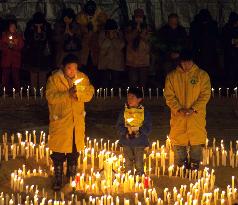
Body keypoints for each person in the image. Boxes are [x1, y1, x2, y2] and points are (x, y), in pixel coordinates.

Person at [46, 54, 94, 191]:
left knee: (74, 151)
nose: (72, 71)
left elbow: (89, 93)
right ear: (63, 67)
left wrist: (78, 93)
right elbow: (50, 97)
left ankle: (72, 177)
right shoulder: (54, 79)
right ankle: (58, 177)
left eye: (75, 68)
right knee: (59, 153)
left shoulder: (82, 78)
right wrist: (67, 94)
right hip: (61, 122)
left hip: (76, 123)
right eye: (69, 68)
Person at [164, 49, 211, 170]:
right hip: (178, 118)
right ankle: (181, 168)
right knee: (179, 144)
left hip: (196, 118)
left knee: (196, 145)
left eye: (189, 62)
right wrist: (179, 109)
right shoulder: (172, 76)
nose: (186, 65)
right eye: (184, 63)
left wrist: (193, 109)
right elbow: (169, 96)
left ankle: (194, 167)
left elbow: (205, 95)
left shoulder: (202, 75)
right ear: (180, 62)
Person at [116, 87, 152, 175]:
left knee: (139, 163)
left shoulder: (145, 113)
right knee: (128, 163)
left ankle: (140, 177)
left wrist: (139, 130)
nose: (129, 100)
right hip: (126, 142)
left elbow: (148, 128)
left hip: (139, 143)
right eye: (128, 97)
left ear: (139, 99)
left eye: (132, 97)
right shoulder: (124, 112)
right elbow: (119, 125)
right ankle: (129, 179)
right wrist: (125, 132)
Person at [76, 0, 108, 86]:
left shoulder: (101, 17)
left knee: (96, 72)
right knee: (84, 72)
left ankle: (96, 89)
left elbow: (103, 32)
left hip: (96, 51)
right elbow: (78, 34)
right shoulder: (81, 18)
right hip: (85, 51)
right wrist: (86, 30)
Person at [24, 12, 52, 90]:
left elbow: (49, 38)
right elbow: (28, 38)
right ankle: (34, 94)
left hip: (43, 56)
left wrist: (41, 31)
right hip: (33, 55)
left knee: (42, 75)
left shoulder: (47, 27)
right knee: (33, 75)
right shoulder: (30, 27)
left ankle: (42, 94)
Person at [190, 9, 219, 83]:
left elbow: (215, 38)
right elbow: (193, 39)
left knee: (211, 69)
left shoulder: (212, 25)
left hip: (210, 52)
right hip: (198, 52)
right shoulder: (195, 25)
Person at [158, 13, 187, 82]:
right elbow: (160, 45)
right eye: (172, 21)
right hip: (166, 58)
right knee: (168, 76)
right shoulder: (163, 30)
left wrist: (179, 54)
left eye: (175, 21)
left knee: (179, 76)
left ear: (177, 20)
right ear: (169, 21)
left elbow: (185, 44)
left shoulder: (181, 30)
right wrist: (169, 53)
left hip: (179, 58)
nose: (173, 22)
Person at [125, 8, 150, 88]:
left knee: (143, 82)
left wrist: (141, 32)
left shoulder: (148, 27)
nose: (138, 19)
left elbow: (149, 39)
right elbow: (128, 38)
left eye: (140, 17)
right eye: (137, 17)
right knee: (133, 82)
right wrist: (136, 30)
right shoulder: (129, 27)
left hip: (143, 60)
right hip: (132, 60)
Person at [98, 19, 125, 88]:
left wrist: (114, 38)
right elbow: (102, 45)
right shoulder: (102, 34)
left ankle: (115, 97)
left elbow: (120, 46)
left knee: (115, 82)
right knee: (104, 81)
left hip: (116, 63)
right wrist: (108, 38)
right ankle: (105, 97)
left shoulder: (119, 34)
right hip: (105, 63)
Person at [0, 19, 24, 94]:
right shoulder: (4, 36)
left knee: (16, 77)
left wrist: (14, 47)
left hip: (15, 61)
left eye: (14, 27)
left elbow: (21, 46)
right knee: (5, 78)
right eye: (11, 26)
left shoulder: (18, 36)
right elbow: (1, 46)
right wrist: (7, 46)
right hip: (6, 61)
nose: (13, 28)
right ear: (8, 27)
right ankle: (5, 92)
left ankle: (17, 92)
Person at [222, 12, 238, 87]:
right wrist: (232, 41)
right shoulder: (227, 28)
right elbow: (223, 40)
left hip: (235, 54)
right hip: (230, 55)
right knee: (230, 73)